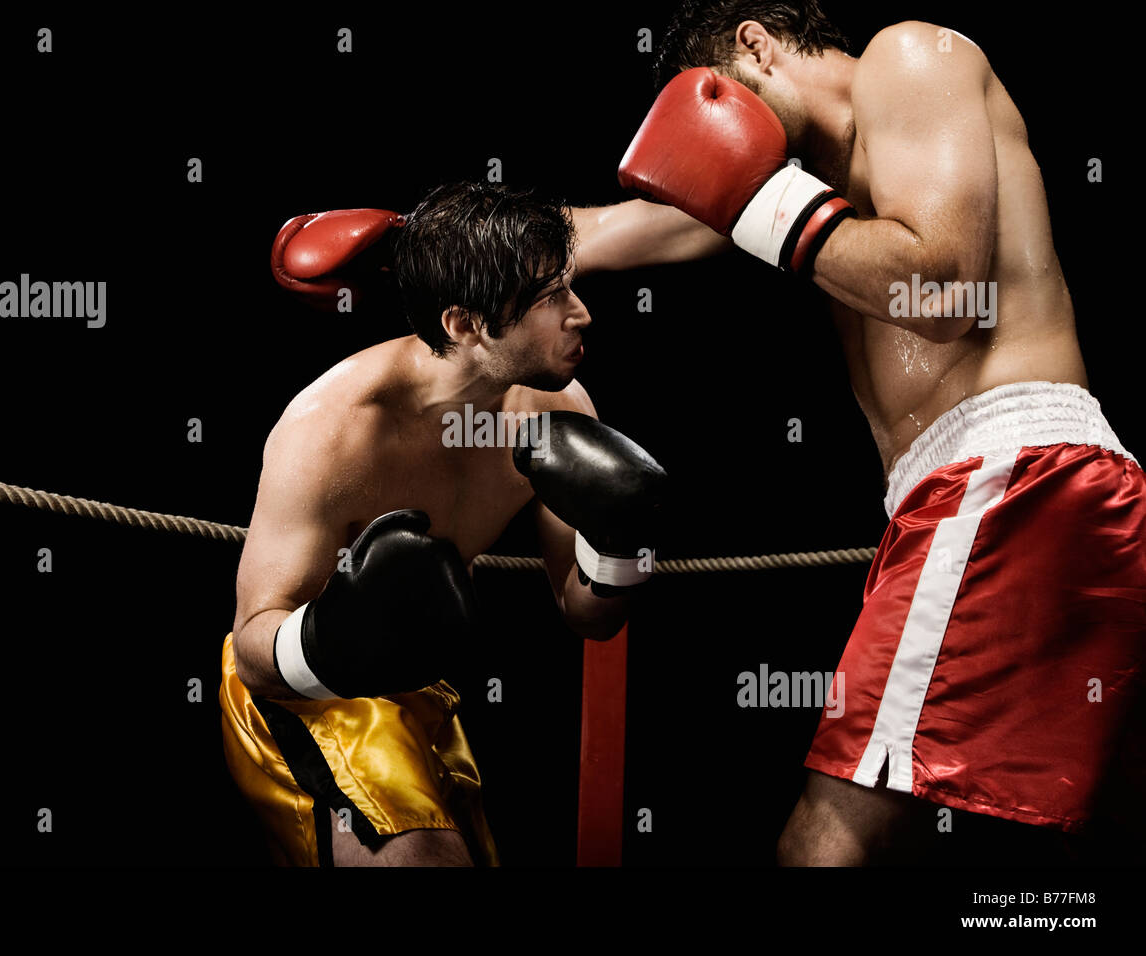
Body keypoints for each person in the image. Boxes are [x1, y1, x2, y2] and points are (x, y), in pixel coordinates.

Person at [566, 1, 1144, 864]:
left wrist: (761, 204)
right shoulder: (813, 189)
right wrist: (421, 244)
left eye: (714, 99)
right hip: (993, 496)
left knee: (824, 850)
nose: (714, 136)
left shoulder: (908, 59)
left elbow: (943, 292)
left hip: (1005, 477)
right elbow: (603, 233)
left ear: (756, 44)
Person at [224, 182, 666, 866]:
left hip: (420, 690)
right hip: (300, 701)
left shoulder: (554, 413)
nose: (581, 315)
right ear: (463, 323)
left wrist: (622, 546)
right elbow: (254, 652)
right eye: (550, 299)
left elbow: (587, 615)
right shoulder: (333, 429)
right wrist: (338, 637)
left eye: (571, 288)